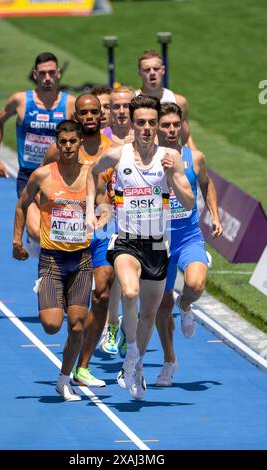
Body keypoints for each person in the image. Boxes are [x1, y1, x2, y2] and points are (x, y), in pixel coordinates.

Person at [88, 95, 195, 400]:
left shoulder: (169, 158)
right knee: (130, 292)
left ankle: (135, 365)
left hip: (158, 247)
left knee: (149, 315)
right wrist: (93, 208)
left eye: (152, 122)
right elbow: (91, 172)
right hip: (127, 241)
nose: (147, 128)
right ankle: (131, 349)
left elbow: (188, 203)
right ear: (132, 125)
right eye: (141, 123)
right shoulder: (116, 155)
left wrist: (172, 179)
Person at [12, 120, 102, 401]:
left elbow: (105, 206)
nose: (67, 147)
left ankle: (64, 378)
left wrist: (99, 218)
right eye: (62, 142)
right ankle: (49, 290)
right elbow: (22, 204)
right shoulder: (42, 176)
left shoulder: (90, 174)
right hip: (51, 259)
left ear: (79, 143)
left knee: (77, 325)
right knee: (51, 325)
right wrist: (17, 240)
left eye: (72, 142)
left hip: (82, 261)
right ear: (56, 143)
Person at [43, 94, 114, 387]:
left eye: (94, 112)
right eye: (83, 112)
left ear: (101, 116)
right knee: (59, 319)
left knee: (103, 294)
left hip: (100, 232)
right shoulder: (58, 149)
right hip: (66, 238)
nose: (89, 117)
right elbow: (40, 187)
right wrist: (36, 221)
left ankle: (83, 366)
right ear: (76, 114)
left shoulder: (113, 151)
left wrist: (104, 214)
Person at [155, 102, 223, 387]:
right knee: (160, 303)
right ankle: (169, 361)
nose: (172, 130)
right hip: (157, 240)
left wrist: (215, 215)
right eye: (166, 125)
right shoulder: (145, 158)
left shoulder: (195, 157)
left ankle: (185, 305)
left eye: (176, 125)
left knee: (195, 285)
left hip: (187, 234)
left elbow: (206, 184)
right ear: (156, 127)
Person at [0, 52, 75, 244]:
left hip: (59, 176)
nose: (47, 78)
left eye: (51, 73)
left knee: (61, 231)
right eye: (43, 73)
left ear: (58, 73)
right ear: (35, 74)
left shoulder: (69, 104)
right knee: (36, 232)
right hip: (29, 175)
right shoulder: (20, 101)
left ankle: (53, 270)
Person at [99, 86, 136, 355]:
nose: (122, 111)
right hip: (111, 216)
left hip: (143, 217)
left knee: (136, 283)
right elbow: (90, 177)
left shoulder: (146, 136)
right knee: (111, 275)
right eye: (116, 106)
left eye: (127, 106)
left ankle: (126, 325)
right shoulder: (101, 141)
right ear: (109, 110)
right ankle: (112, 323)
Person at [136, 49, 197, 150]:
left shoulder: (179, 101)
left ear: (163, 70)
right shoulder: (133, 101)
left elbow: (186, 137)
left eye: (156, 68)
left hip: (172, 159)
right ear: (139, 73)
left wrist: (194, 159)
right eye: (147, 70)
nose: (152, 73)